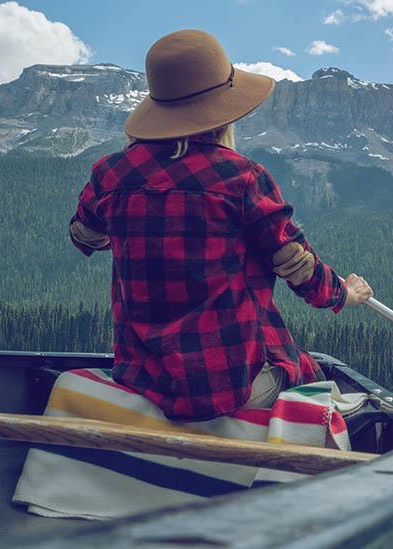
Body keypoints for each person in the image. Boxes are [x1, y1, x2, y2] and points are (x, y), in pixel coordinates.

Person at [68, 29, 373, 421]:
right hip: (230, 388)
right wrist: (343, 295)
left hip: (141, 380)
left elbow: (85, 236)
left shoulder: (109, 175)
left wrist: (135, 222)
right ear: (221, 111)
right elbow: (296, 265)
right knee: (305, 375)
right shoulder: (242, 178)